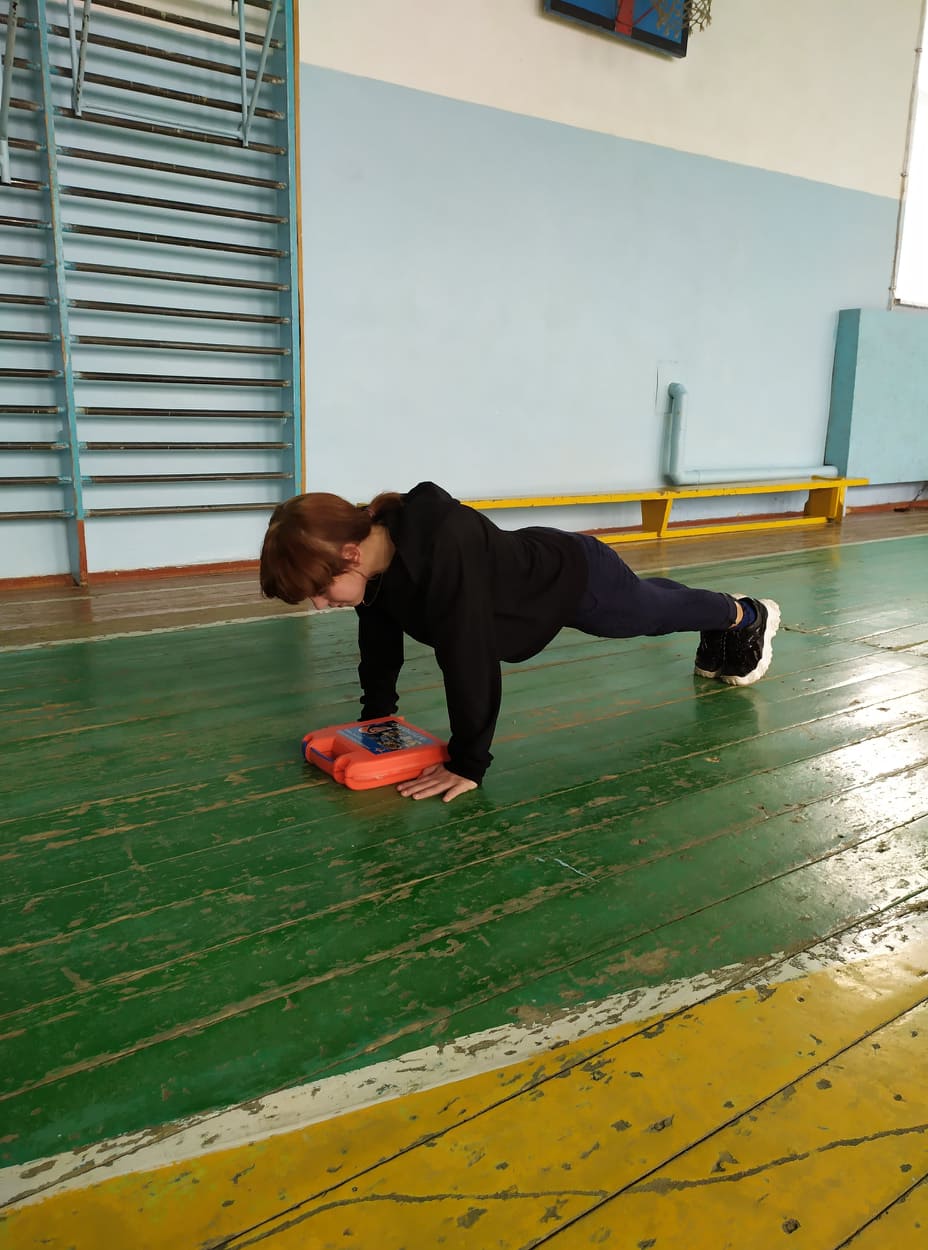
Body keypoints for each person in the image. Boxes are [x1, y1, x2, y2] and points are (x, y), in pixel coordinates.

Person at [260, 482, 780, 803]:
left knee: (645, 615)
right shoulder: (375, 566)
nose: (320, 605)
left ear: (350, 554)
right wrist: (376, 718)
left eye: (320, 592)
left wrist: (467, 763)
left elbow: (468, 656)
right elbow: (378, 638)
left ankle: (746, 614)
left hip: (573, 579)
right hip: (532, 580)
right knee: (646, 604)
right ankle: (703, 608)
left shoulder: (443, 548)